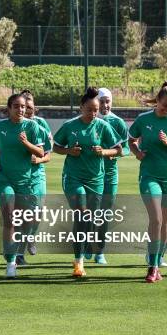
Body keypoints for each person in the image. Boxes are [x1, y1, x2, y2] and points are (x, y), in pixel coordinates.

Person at [53, 87, 122, 277]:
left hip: (96, 179)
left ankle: (86, 246)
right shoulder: (70, 126)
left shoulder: (103, 126)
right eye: (89, 109)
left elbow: (119, 149)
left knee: (89, 219)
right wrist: (69, 151)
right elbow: (56, 146)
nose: (93, 113)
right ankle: (79, 262)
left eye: (96, 110)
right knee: (82, 215)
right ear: (81, 107)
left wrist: (104, 152)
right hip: (73, 177)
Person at [128, 82, 167, 283]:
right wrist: (138, 153)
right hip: (149, 176)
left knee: (166, 223)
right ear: (157, 101)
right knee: (156, 219)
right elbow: (131, 140)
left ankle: (157, 259)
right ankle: (152, 267)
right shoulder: (143, 119)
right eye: (165, 106)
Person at [0, 93, 44, 278]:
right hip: (5, 179)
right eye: (16, 106)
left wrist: (26, 143)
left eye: (23, 107)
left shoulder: (32, 126)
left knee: (27, 219)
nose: (20, 110)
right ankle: (11, 262)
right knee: (9, 216)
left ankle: (19, 248)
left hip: (26, 181)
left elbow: (41, 152)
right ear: (9, 108)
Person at [16, 90, 52, 265]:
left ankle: (31, 237)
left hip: (38, 175)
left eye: (30, 108)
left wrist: (39, 159)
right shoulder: (14, 125)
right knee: (23, 215)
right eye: (25, 107)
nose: (27, 111)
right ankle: (19, 253)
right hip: (20, 176)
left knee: (37, 213)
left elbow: (48, 154)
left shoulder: (40, 124)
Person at [95, 88, 129, 264]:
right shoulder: (88, 120)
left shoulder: (118, 122)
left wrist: (116, 153)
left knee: (105, 213)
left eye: (107, 101)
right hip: (91, 174)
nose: (105, 105)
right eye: (101, 101)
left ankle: (99, 251)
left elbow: (127, 148)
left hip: (109, 174)